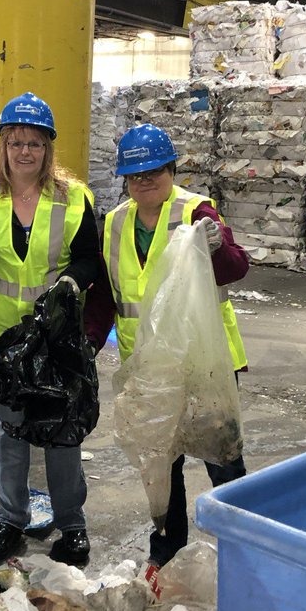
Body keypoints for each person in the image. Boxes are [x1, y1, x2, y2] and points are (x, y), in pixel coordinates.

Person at [84, 122, 249, 567]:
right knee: (161, 464)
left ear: (171, 169)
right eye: (135, 175)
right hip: (148, 368)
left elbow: (236, 268)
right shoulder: (116, 222)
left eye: (154, 171)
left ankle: (246, 546)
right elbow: (106, 293)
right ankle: (167, 553)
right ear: (125, 180)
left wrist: (216, 248)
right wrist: (90, 341)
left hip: (204, 364)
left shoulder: (197, 212)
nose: (145, 181)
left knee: (223, 459)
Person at [0, 91, 101, 565]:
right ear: (3, 146)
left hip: (56, 338)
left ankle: (72, 525)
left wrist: (70, 281)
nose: (25, 152)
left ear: (48, 149)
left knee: (62, 433)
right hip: (2, 337)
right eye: (16, 142)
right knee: (10, 432)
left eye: (35, 143)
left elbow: (89, 260)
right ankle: (8, 520)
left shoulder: (74, 198)